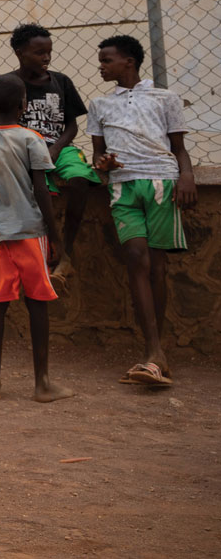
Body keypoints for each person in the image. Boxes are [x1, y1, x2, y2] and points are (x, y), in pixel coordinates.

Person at [87, 34, 196, 387]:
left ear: (128, 62)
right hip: (123, 187)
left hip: (162, 183)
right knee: (136, 258)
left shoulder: (165, 98)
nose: (101, 66)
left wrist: (187, 176)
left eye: (107, 60)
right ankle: (153, 353)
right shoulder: (100, 105)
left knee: (157, 267)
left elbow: (178, 147)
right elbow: (97, 156)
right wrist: (103, 163)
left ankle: (155, 352)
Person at [0, 74, 73, 403]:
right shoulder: (31, 138)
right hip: (29, 232)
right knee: (37, 303)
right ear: (23, 104)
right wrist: (57, 241)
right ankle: (42, 383)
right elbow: (42, 190)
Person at [0, 24, 102, 287]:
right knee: (41, 194)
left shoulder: (61, 82)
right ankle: (50, 250)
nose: (46, 58)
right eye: (39, 53)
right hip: (24, 153)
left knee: (79, 179)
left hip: (59, 148)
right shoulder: (7, 85)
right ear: (19, 53)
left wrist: (55, 149)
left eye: (48, 52)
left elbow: (71, 126)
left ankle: (65, 251)